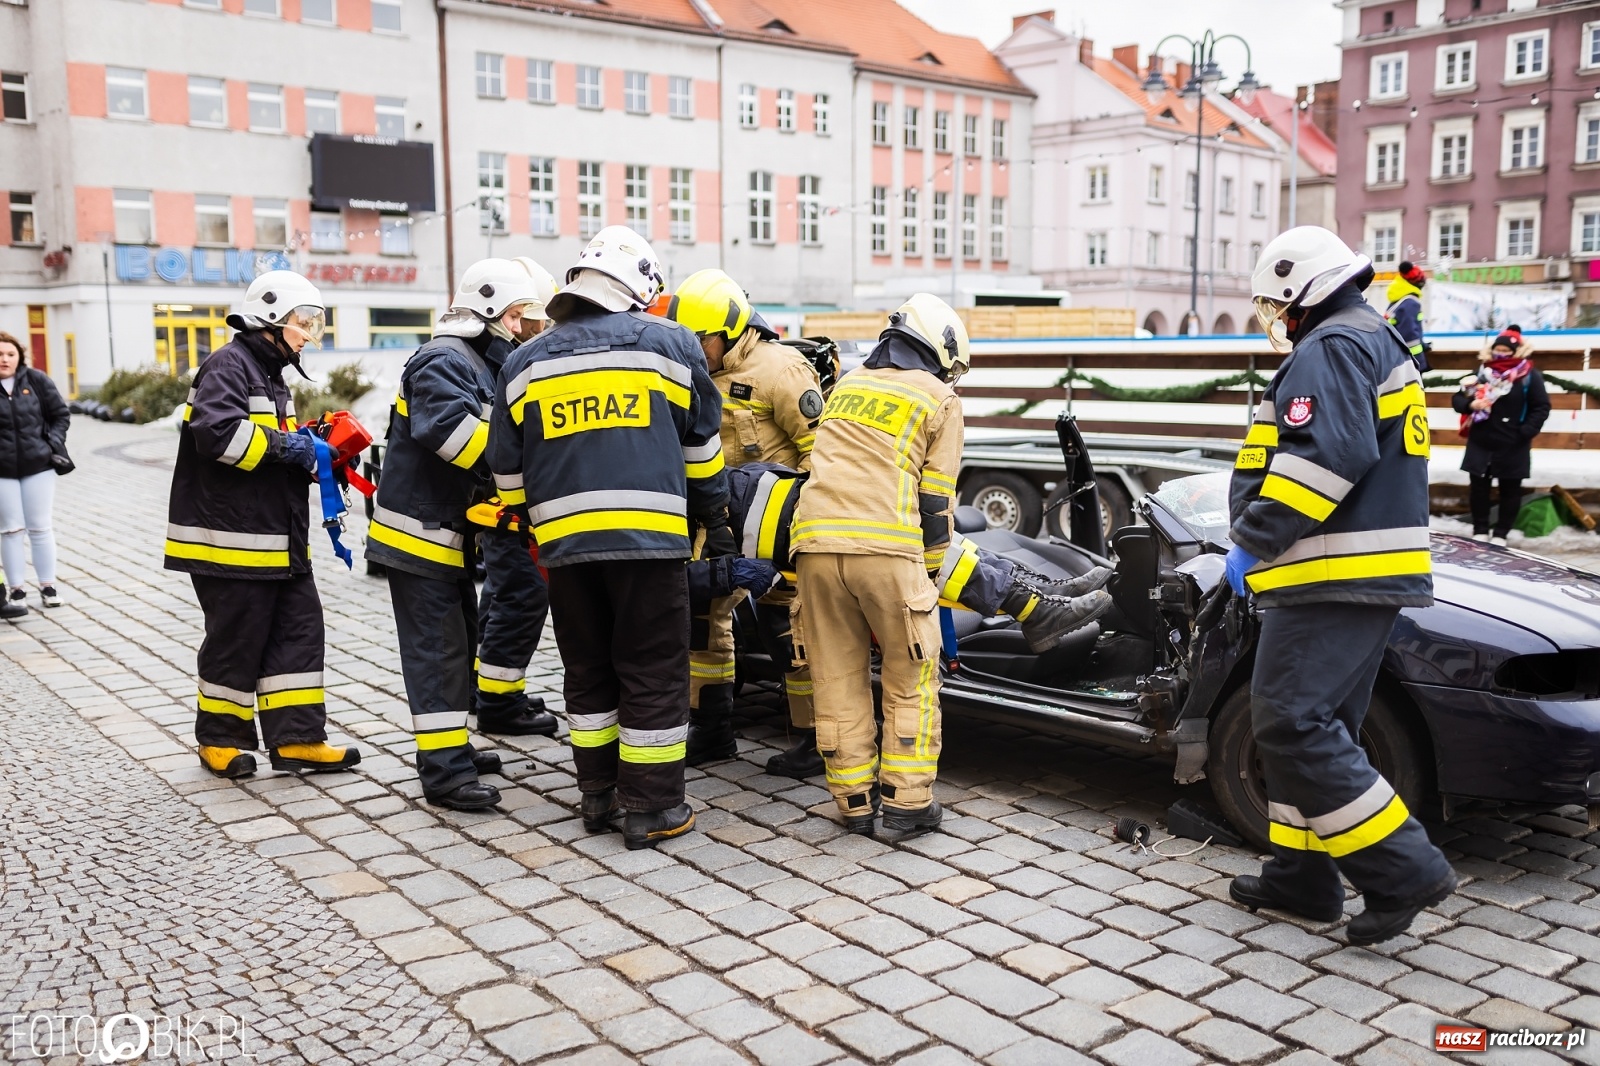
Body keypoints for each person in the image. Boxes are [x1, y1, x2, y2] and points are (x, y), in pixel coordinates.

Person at [791, 294, 1111, 838]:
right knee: (909, 677)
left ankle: (855, 803)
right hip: (888, 556)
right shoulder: (937, 398)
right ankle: (907, 806)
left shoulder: (844, 388)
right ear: (939, 351)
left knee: (838, 678)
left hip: (815, 550)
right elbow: (935, 514)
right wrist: (940, 576)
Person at [1226, 226, 1455, 945]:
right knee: (1321, 727)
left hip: (1328, 571)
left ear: (1301, 290)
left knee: (1290, 725)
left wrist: (1253, 539)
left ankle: (1404, 869)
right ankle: (1303, 878)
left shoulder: (1328, 347)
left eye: (1277, 302)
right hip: (1361, 573)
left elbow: (1327, 457)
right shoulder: (1374, 337)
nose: (1276, 317)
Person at [489, 225, 729, 851]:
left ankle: (597, 795)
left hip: (565, 550)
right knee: (651, 667)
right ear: (639, 289)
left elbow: (507, 470)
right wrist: (715, 518)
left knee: (587, 666)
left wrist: (535, 522)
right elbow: (702, 452)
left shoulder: (524, 361)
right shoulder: (670, 345)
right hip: (650, 545)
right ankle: (651, 808)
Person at [165, 270, 359, 779]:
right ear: (271, 321)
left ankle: (297, 740)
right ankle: (219, 740)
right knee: (237, 640)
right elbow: (218, 435)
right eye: (302, 325)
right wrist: (292, 448)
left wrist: (317, 450)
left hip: (279, 540)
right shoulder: (229, 365)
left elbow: (270, 444)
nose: (307, 336)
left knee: (298, 633)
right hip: (232, 543)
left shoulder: (268, 373)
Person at [367, 258, 544, 811]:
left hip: (443, 537)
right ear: (493, 313)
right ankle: (444, 774)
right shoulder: (442, 361)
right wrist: (527, 466)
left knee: (460, 642)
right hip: (418, 538)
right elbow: (453, 435)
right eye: (520, 317)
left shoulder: (476, 363)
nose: (526, 329)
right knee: (438, 654)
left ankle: (455, 749)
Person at [664, 268, 824, 773]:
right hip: (715, 525)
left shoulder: (782, 370)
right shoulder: (690, 373)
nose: (696, 348)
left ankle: (813, 738)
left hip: (776, 526)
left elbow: (821, 453)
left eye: (703, 339)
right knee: (702, 629)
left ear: (732, 329)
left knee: (788, 628)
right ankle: (711, 731)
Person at [474, 256, 562, 732]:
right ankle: (499, 704)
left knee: (503, 597)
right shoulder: (507, 360)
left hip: (502, 507)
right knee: (521, 597)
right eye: (533, 319)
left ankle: (491, 691)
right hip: (508, 509)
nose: (539, 328)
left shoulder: (503, 357)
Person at [1452, 325, 1549, 545]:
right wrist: (1471, 404)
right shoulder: (1481, 373)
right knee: (1478, 487)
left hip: (1513, 441)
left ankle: (1501, 534)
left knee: (1510, 489)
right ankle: (1480, 529)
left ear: (1516, 352)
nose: (1501, 354)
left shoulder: (1528, 376)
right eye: (1498, 349)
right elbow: (1457, 400)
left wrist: (1525, 432)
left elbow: (1541, 407)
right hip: (1482, 439)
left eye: (1506, 351)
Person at [0, 331, 69, 616]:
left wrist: (50, 443)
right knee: (10, 530)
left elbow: (60, 414)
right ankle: (17, 590)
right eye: (0, 355)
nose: (4, 359)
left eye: (10, 354)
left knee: (40, 527)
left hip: (38, 466)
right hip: (2, 471)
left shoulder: (37, 380)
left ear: (19, 356)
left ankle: (48, 586)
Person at [1385, 261, 1429, 370]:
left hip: (1395, 358)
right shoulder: (1410, 303)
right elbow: (1409, 335)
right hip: (1408, 363)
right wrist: (1420, 363)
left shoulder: (1399, 300)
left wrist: (1423, 344)